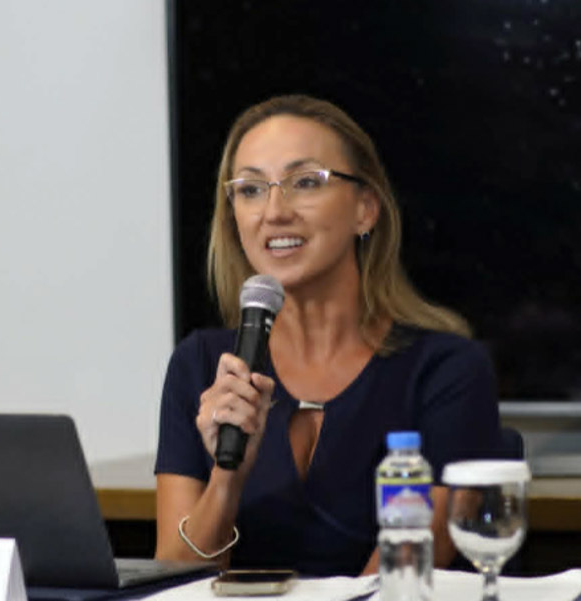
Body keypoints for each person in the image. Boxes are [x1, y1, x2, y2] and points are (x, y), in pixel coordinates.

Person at [154, 94, 502, 575]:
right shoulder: (201, 365)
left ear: (365, 209)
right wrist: (227, 477)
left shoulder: (446, 369)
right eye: (250, 189)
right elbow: (174, 580)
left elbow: (407, 573)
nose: (274, 212)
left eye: (305, 182)